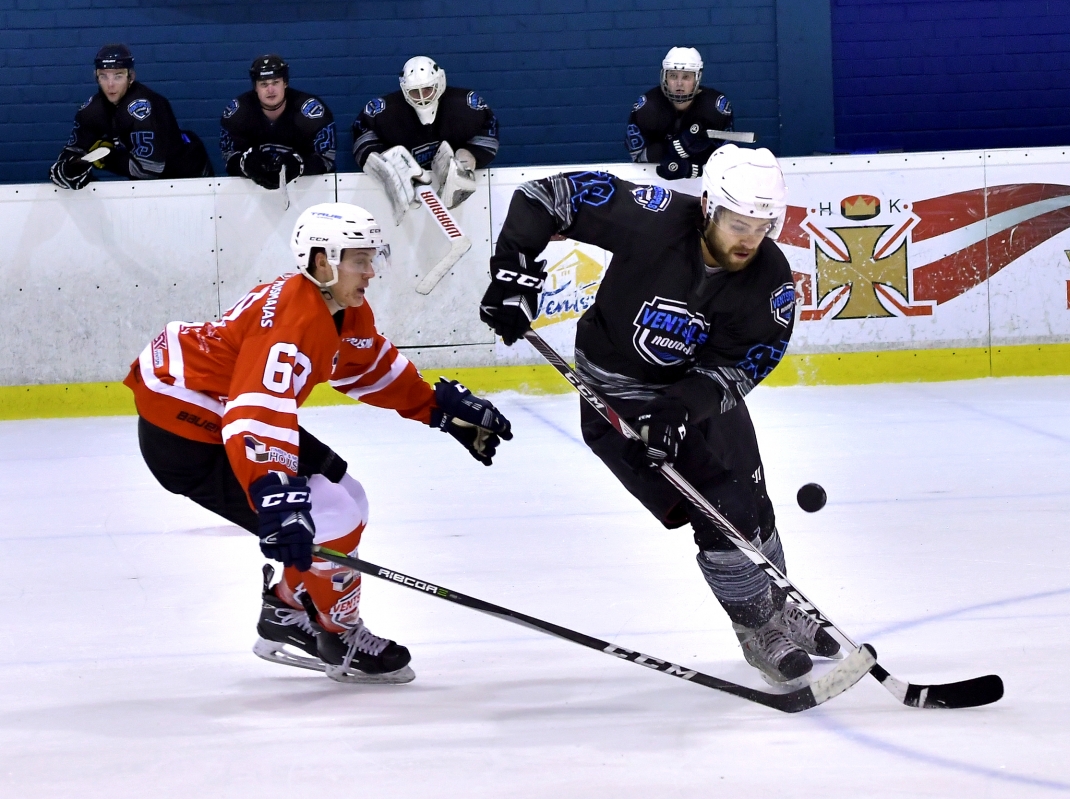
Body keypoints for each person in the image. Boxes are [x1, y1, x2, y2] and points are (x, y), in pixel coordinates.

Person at [478, 146, 840, 687]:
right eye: (738, 224)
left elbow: (745, 365)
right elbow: (543, 196)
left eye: (762, 227)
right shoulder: (651, 216)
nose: (749, 239)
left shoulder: (771, 283)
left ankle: (777, 604)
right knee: (717, 510)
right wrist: (513, 276)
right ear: (709, 207)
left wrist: (681, 407)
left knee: (751, 500)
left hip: (694, 396)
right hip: (617, 398)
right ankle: (756, 626)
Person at [124, 202, 513, 685]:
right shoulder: (293, 320)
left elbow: (365, 366)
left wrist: (435, 407)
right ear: (323, 261)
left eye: (373, 258)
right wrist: (274, 492)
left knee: (350, 497)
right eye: (360, 260)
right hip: (185, 432)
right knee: (331, 516)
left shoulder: (339, 307)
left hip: (223, 409)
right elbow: (255, 411)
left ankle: (286, 609)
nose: (371, 272)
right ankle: (337, 632)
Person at [352, 56, 499, 219]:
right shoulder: (383, 111)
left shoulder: (465, 105)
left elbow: (488, 135)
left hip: (454, 196)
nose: (422, 97)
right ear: (404, 89)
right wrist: (387, 166)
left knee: (461, 163)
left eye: (428, 89)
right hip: (406, 200)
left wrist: (467, 159)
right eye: (415, 92)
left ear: (440, 81)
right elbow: (363, 142)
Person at [49, 44, 212, 190]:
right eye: (104, 76)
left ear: (131, 77)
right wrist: (72, 169)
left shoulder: (143, 107)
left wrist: (107, 158)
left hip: (191, 176)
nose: (110, 84)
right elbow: (69, 156)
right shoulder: (92, 110)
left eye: (118, 76)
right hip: (158, 183)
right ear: (96, 77)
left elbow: (149, 169)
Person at [219, 55, 337, 190]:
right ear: (255, 87)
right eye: (264, 84)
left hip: (308, 192)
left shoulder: (310, 113)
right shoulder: (238, 113)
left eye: (275, 82)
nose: (270, 90)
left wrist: (298, 165)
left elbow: (327, 159)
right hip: (252, 194)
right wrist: (247, 164)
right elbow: (228, 157)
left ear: (285, 83)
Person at [625, 47, 735, 180]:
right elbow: (637, 157)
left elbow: (728, 157)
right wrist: (668, 152)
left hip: (704, 183)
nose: (679, 83)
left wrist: (694, 165)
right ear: (665, 77)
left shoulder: (715, 108)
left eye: (686, 77)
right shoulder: (647, 107)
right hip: (656, 180)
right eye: (673, 76)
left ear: (697, 78)